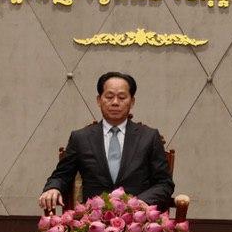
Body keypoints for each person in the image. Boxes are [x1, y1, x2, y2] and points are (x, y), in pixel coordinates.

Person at [39, 72, 174, 212]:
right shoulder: (81, 138)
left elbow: (164, 183)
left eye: (122, 97)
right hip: (92, 219)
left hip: (136, 218)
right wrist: (53, 188)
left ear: (132, 101)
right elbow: (61, 176)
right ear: (99, 100)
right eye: (109, 97)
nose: (115, 102)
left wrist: (139, 202)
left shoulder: (149, 137)